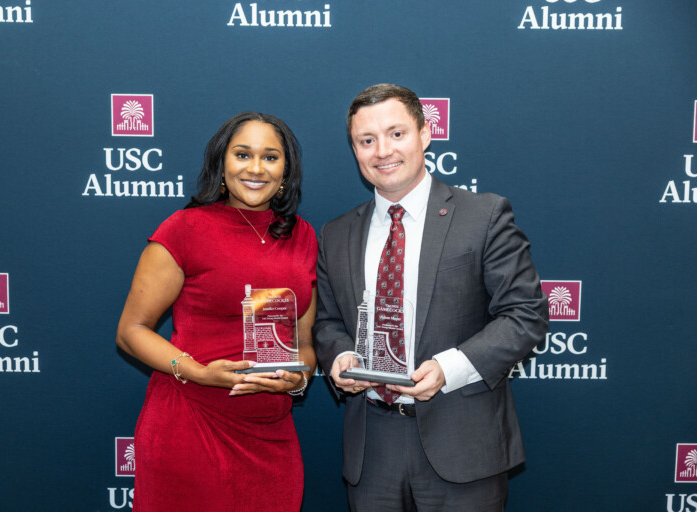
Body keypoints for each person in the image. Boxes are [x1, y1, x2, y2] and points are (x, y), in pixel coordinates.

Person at [314, 84, 549, 511]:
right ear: (355, 149)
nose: (382, 150)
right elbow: (328, 322)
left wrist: (447, 368)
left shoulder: (484, 215)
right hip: (372, 449)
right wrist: (341, 357)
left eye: (396, 133)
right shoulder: (336, 234)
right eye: (367, 140)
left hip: (462, 441)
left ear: (425, 134)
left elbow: (525, 315)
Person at [116, 112, 317, 511]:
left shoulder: (304, 236)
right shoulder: (184, 229)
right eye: (243, 154)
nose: (256, 168)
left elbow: (305, 342)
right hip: (190, 425)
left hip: (270, 437)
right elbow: (131, 330)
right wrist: (199, 373)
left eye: (271, 157)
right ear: (222, 164)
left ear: (286, 170)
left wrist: (297, 379)